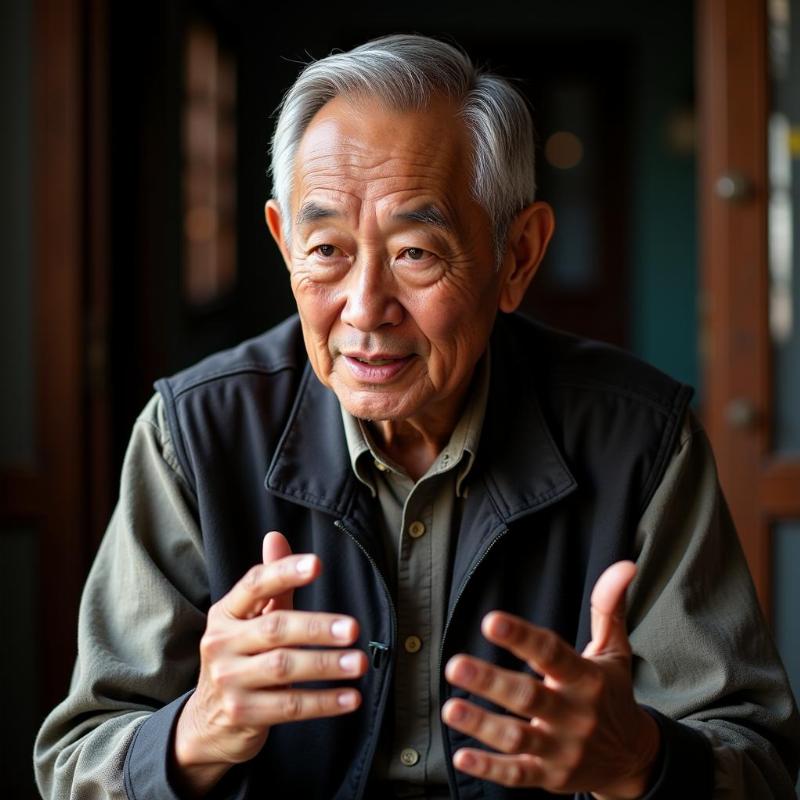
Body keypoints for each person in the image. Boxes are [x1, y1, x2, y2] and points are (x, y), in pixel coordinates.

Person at [35, 33, 799, 799]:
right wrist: (195, 732)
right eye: (327, 248)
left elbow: (758, 762)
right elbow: (75, 764)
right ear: (283, 241)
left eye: (415, 253)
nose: (365, 309)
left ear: (519, 257)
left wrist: (641, 759)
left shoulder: (640, 439)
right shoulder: (195, 435)